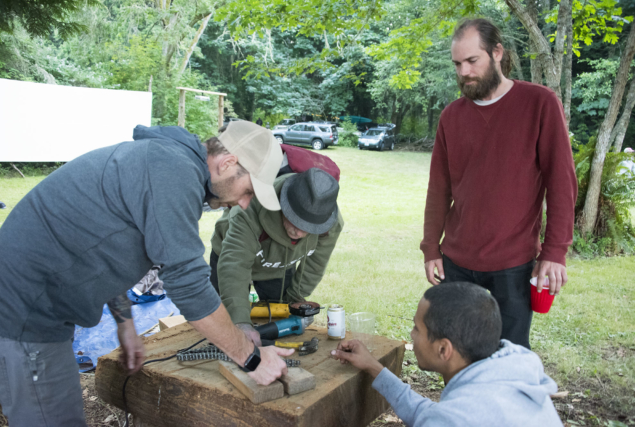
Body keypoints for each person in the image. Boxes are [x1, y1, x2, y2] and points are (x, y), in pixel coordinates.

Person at [0, 121, 293, 426]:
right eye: (248, 192)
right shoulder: (173, 173)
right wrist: (251, 358)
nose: (244, 205)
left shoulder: (167, 161)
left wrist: (124, 323)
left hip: (35, 305)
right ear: (228, 163)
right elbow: (189, 285)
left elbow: (102, 246)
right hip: (25, 313)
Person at [420, 18, 578, 349]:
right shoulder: (451, 117)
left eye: (471, 61)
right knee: (456, 353)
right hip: (457, 262)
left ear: (497, 53)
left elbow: (561, 183)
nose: (463, 72)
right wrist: (431, 248)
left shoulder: (539, 103)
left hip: (514, 264)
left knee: (510, 355)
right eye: (457, 64)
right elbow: (439, 190)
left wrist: (555, 252)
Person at [331, 282, 563, 426]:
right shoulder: (513, 367)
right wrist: (374, 367)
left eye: (417, 329)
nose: (411, 335)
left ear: (443, 349)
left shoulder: (455, 419)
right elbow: (429, 415)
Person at [210, 168, 343, 345]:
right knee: (218, 328)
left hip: (278, 265)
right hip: (230, 258)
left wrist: (294, 301)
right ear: (283, 204)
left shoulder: (329, 225)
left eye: (309, 227)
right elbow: (235, 266)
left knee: (280, 322)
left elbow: (314, 266)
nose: (300, 231)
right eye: (295, 220)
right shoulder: (249, 208)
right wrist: (241, 323)